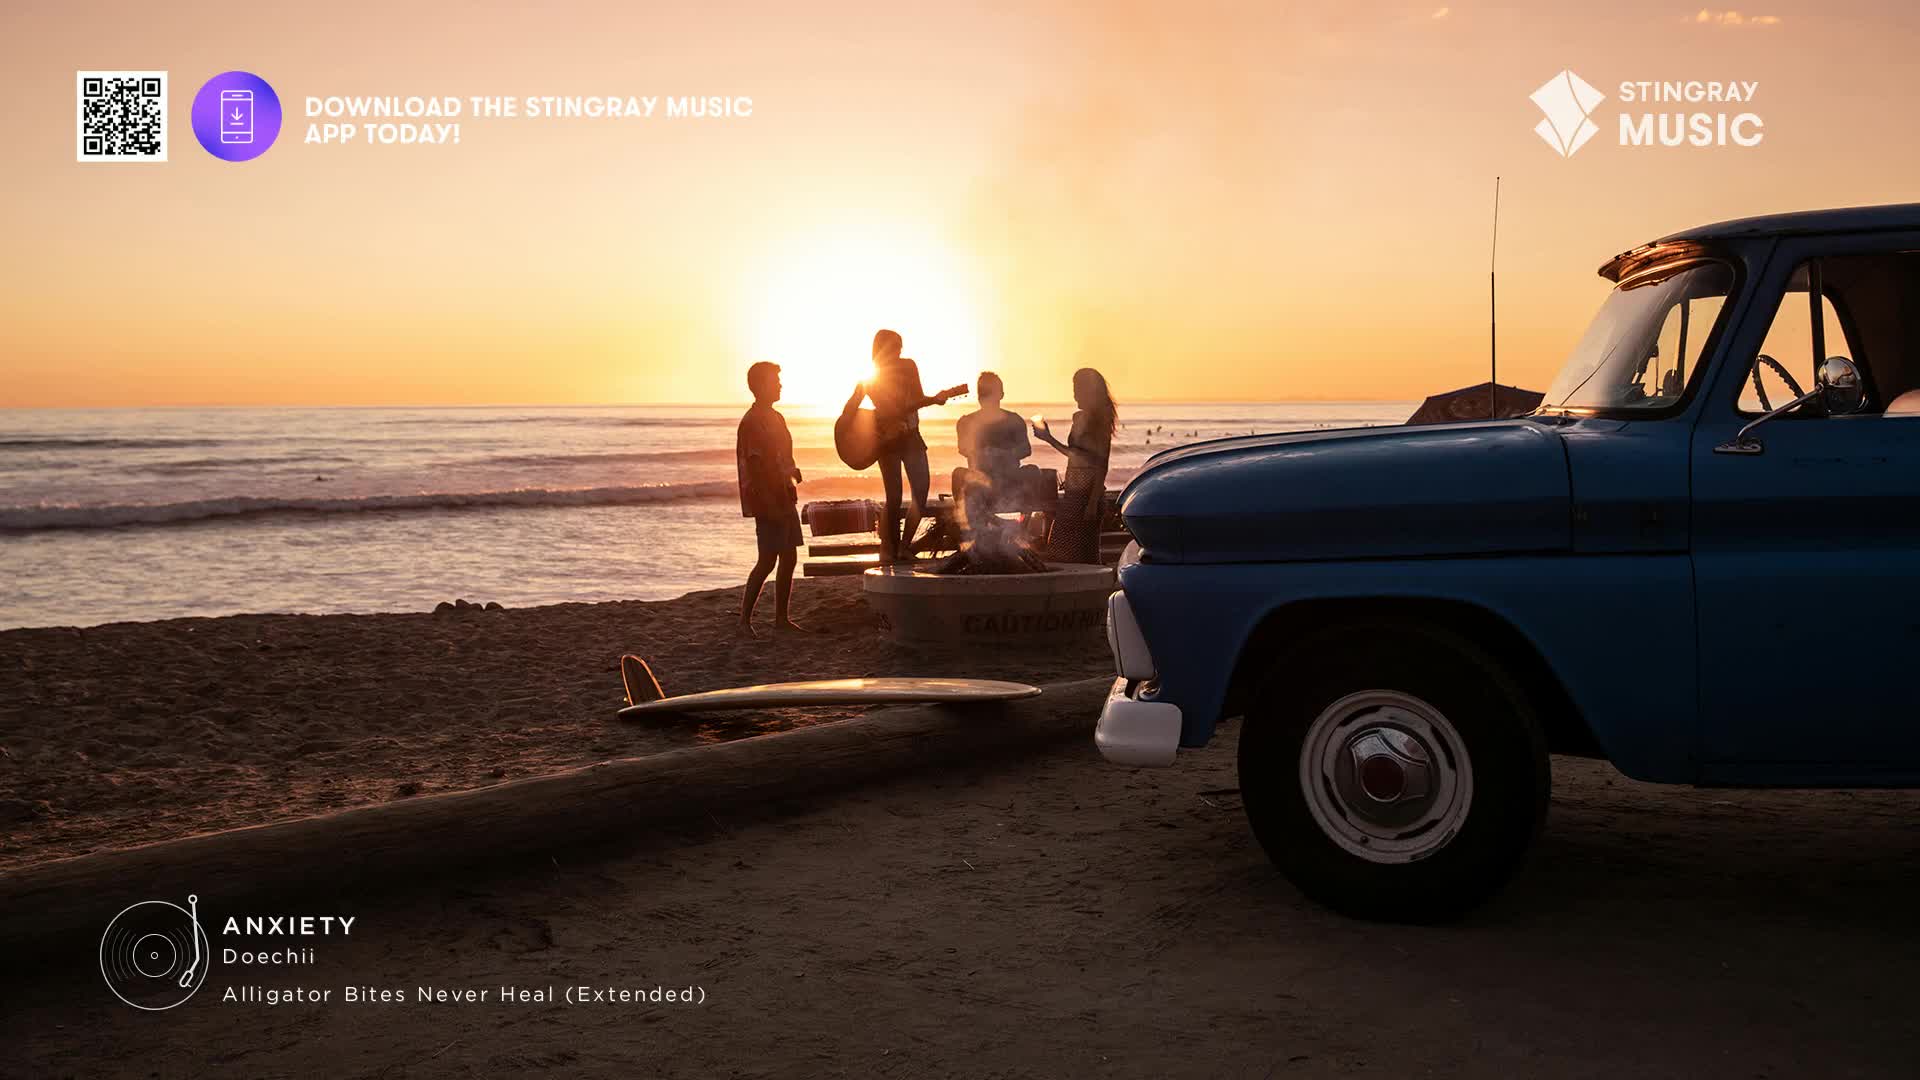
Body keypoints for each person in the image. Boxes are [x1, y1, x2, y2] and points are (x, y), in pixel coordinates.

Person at [856, 329, 965, 563]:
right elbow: (880, 411)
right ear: (882, 349)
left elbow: (916, 397)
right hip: (887, 440)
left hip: (912, 435)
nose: (899, 352)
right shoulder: (872, 377)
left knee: (920, 493)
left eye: (900, 347)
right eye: (895, 347)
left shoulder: (908, 366)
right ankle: (889, 549)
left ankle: (904, 546)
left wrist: (934, 399)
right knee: (893, 497)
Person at [736, 361, 806, 635]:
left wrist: (792, 472)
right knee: (767, 560)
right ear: (760, 385)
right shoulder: (752, 422)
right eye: (775, 380)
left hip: (784, 496)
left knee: (789, 557)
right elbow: (755, 466)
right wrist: (767, 503)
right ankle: (744, 621)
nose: (780, 384)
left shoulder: (776, 417)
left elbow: (783, 455)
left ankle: (781, 619)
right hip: (767, 499)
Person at [1032, 367, 1117, 565]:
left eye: (1077, 387)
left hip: (1087, 495)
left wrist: (1092, 503)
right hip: (1074, 491)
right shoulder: (1078, 418)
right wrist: (1049, 439)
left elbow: (1100, 463)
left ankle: (1085, 592)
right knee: (1071, 552)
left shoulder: (1100, 420)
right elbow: (1075, 456)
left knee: (1075, 554)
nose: (1074, 393)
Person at [954, 371, 1031, 525]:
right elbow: (963, 448)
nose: (986, 396)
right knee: (958, 474)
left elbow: (1026, 449)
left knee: (1033, 471)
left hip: (1008, 480)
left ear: (1001, 394)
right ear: (978, 396)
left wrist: (1005, 454)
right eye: (983, 393)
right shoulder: (966, 421)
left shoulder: (1014, 420)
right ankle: (970, 529)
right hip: (980, 481)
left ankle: (1023, 525)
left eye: (989, 392)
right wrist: (982, 454)